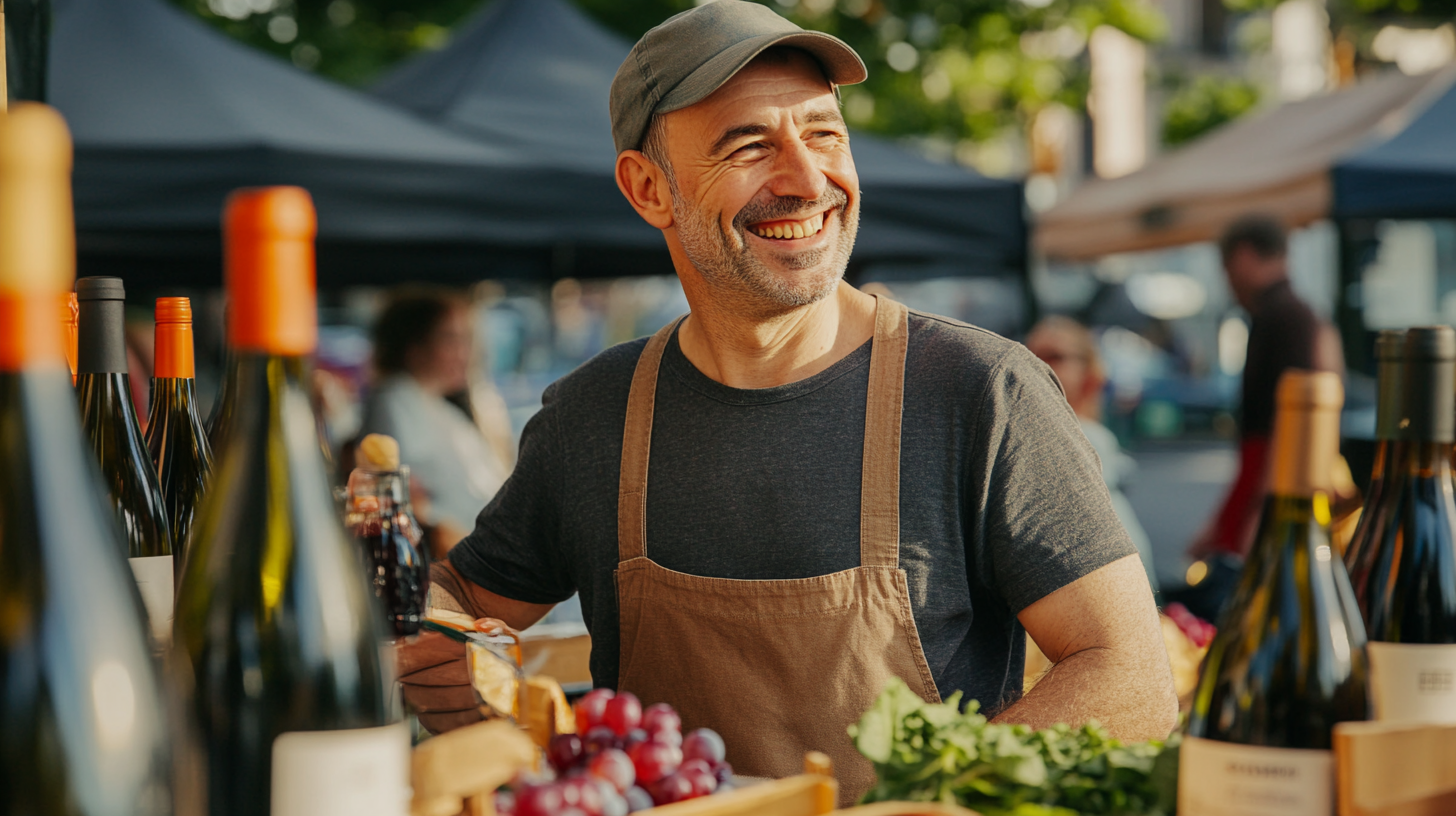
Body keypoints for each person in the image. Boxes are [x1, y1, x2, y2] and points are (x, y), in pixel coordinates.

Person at [398, 1, 1176, 798]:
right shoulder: (593, 418)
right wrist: (438, 641)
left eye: (825, 134)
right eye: (749, 146)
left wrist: (919, 804)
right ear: (648, 188)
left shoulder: (978, 391)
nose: (808, 181)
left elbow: (1131, 677)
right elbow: (460, 599)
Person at [1188, 215, 1344, 565]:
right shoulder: (1294, 313)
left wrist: (1262, 508)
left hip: (1277, 483)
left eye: (1227, 269)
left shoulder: (1286, 316)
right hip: (1273, 481)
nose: (1228, 282)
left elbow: (1291, 424)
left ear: (1243, 257)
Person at [358, 287, 511, 547]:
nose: (463, 353)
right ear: (413, 345)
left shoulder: (444, 408)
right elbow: (399, 501)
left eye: (465, 339)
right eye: (449, 339)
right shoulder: (394, 399)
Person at [1025, 316, 1157, 591]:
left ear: (1090, 372)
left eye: (1055, 356)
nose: (1035, 364)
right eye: (1028, 354)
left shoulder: (1080, 438)